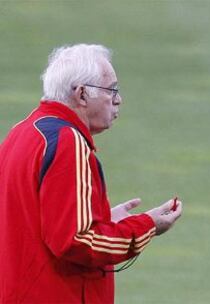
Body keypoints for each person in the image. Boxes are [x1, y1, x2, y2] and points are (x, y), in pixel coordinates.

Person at [0, 44, 183, 303]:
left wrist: (106, 221)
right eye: (112, 90)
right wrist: (147, 226)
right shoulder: (67, 141)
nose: (118, 100)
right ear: (82, 94)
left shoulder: (22, 131)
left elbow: (36, 221)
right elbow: (76, 241)